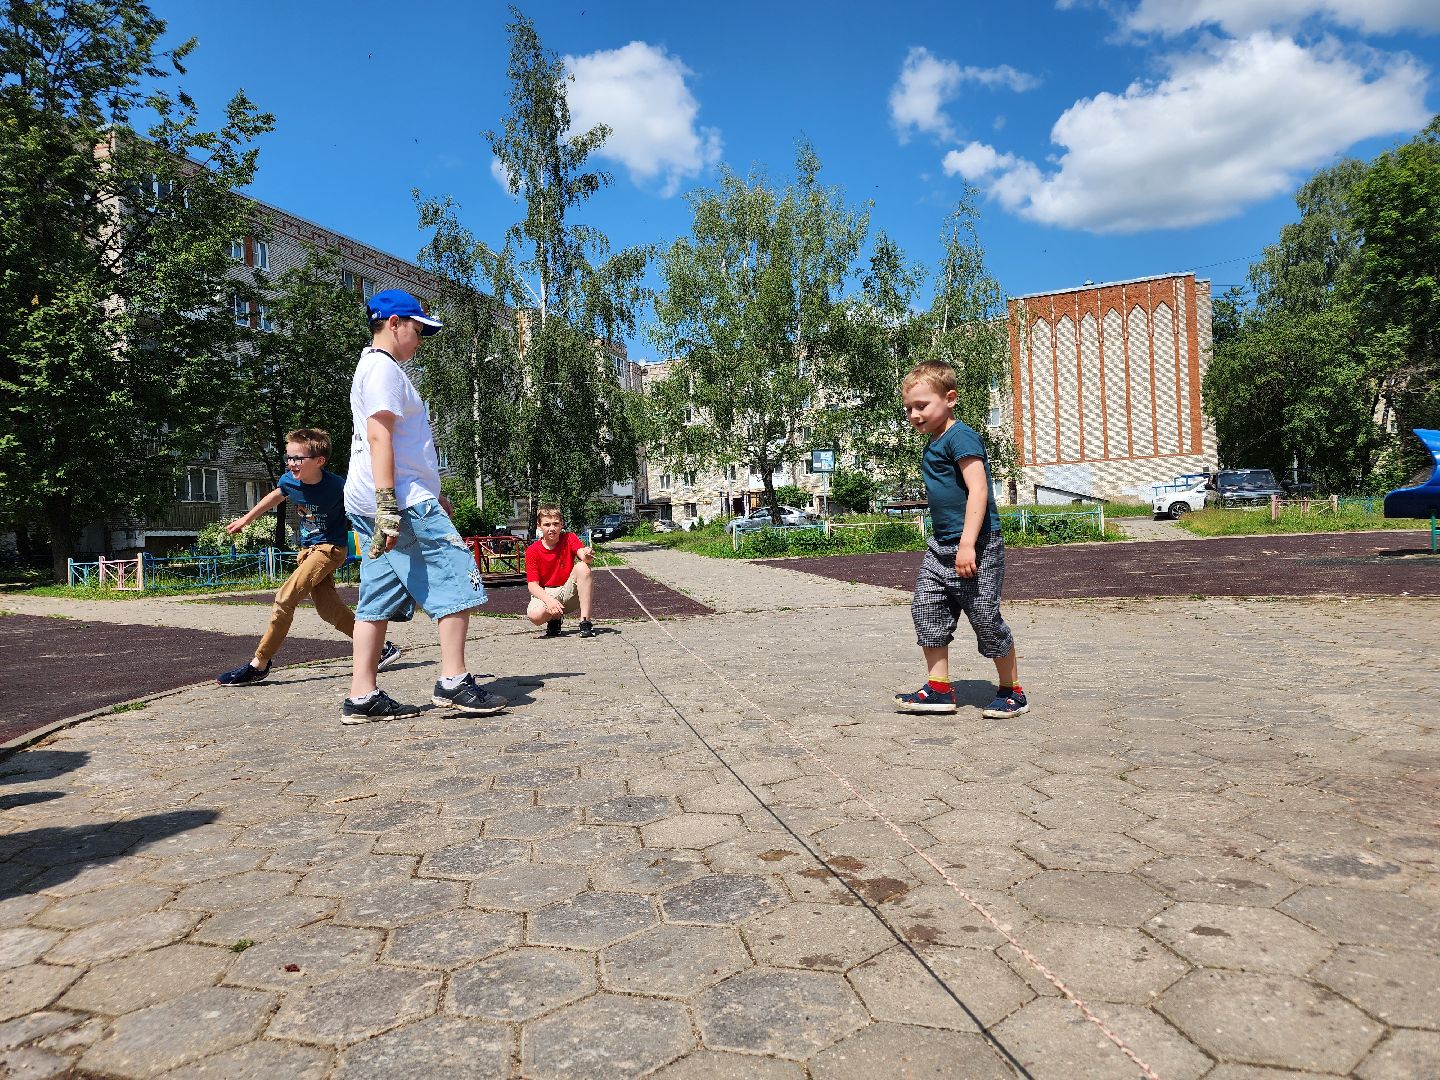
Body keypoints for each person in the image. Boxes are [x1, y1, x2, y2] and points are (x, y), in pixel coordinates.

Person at [340, 289, 507, 725]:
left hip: (387, 495)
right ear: (393, 324)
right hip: (396, 500)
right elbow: (380, 437)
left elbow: (402, 444)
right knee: (454, 572)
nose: (420, 340)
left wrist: (433, 491)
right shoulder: (382, 370)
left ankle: (362, 695)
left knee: (377, 594)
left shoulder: (374, 368)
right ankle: (453, 682)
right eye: (417, 330)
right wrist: (389, 504)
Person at [895, 360, 1028, 718]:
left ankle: (1012, 691)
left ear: (950, 398)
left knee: (984, 617)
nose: (914, 414)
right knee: (926, 609)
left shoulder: (961, 436)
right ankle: (939, 689)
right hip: (939, 548)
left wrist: (967, 543)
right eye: (908, 408)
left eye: (922, 405)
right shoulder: (933, 442)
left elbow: (979, 489)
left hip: (976, 546)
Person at [216, 428, 400, 686]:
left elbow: (368, 503)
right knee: (328, 610)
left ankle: (260, 663)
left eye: (298, 458)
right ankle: (381, 649)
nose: (292, 463)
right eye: (288, 457)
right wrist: (246, 519)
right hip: (308, 551)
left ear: (319, 461)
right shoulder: (289, 481)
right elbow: (275, 496)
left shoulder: (338, 486)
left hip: (330, 550)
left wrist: (390, 528)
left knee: (284, 599)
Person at [524, 505, 595, 638]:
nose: (552, 528)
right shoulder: (532, 550)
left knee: (583, 567)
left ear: (561, 524)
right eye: (547, 524)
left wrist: (587, 554)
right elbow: (532, 585)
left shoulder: (569, 538)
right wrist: (549, 600)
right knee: (535, 616)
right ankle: (554, 618)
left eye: (556, 524)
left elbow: (583, 555)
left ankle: (585, 622)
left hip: (568, 591)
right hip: (546, 591)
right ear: (539, 526)